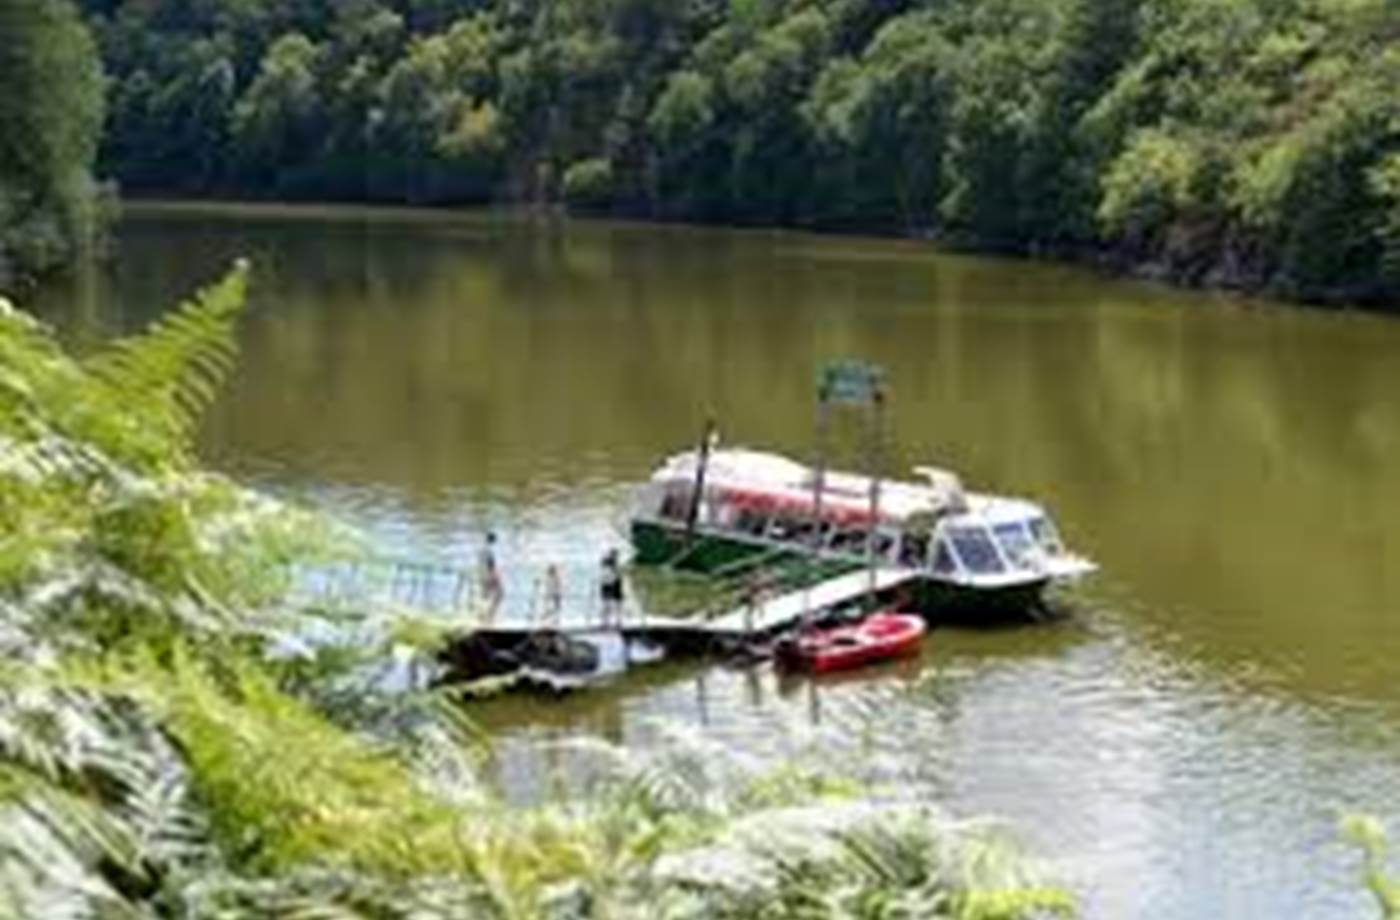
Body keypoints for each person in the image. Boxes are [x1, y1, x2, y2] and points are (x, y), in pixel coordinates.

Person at [477, 532, 503, 621]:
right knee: (500, 594)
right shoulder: (490, 550)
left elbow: (481, 564)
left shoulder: (481, 550)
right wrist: (496, 575)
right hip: (490, 576)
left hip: (482, 575)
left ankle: (482, 615)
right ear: (494, 540)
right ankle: (490, 615)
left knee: (485, 596)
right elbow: (491, 564)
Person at [599, 549, 624, 627]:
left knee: (612, 603)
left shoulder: (612, 564)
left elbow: (618, 574)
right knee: (609, 604)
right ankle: (607, 621)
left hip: (612, 583)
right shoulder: (609, 564)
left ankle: (611, 621)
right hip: (610, 583)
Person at [543, 563, 563, 628]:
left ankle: (554, 620)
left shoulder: (555, 577)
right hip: (552, 594)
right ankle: (548, 618)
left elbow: (558, 586)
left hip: (555, 594)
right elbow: (549, 586)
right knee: (552, 607)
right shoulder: (549, 577)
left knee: (556, 608)